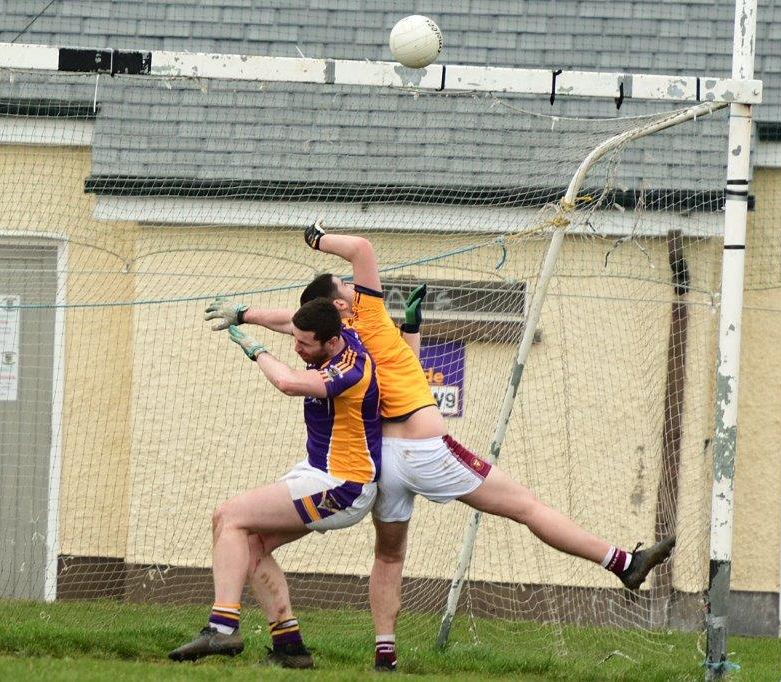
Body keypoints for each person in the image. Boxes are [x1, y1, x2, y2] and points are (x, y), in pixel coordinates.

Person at [205, 221, 676, 672]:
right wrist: (319, 239)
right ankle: (622, 562)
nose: (355, 287)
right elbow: (361, 250)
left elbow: (294, 323)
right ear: (342, 308)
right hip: (425, 450)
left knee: (387, 555)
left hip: (381, 462)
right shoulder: (362, 317)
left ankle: (383, 655)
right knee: (527, 507)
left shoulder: (341, 340)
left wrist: (244, 315)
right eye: (346, 287)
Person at [169, 297, 381, 669]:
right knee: (249, 544)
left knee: (229, 516)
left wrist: (257, 350)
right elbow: (290, 322)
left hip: (344, 486)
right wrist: (244, 315)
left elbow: (288, 382)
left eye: (304, 344)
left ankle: (222, 628)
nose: (297, 348)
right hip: (320, 473)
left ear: (331, 343)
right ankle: (290, 649)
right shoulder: (334, 334)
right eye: (295, 341)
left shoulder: (351, 368)